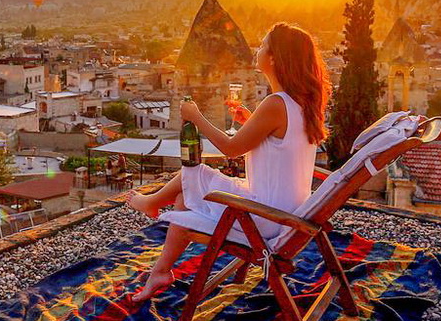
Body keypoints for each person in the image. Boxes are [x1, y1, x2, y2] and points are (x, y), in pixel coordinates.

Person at [125, 22, 330, 302]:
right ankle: (160, 269)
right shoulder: (301, 103)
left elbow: (231, 149)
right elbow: (279, 144)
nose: (257, 50)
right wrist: (251, 122)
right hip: (287, 213)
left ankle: (151, 204)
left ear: (274, 58)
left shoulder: (275, 104)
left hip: (265, 218)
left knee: (195, 173)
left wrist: (196, 117)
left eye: (263, 45)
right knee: (187, 194)